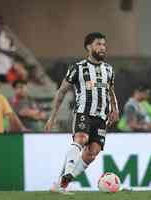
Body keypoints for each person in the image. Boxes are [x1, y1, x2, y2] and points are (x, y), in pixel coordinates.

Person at [45, 32, 119, 192]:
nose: (102, 48)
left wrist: (115, 108)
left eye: (104, 45)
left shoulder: (109, 70)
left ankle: (62, 183)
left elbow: (111, 91)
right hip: (83, 113)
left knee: (93, 152)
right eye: (98, 44)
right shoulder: (77, 68)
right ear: (88, 47)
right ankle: (68, 173)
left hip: (101, 117)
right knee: (81, 138)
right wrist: (52, 117)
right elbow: (62, 92)